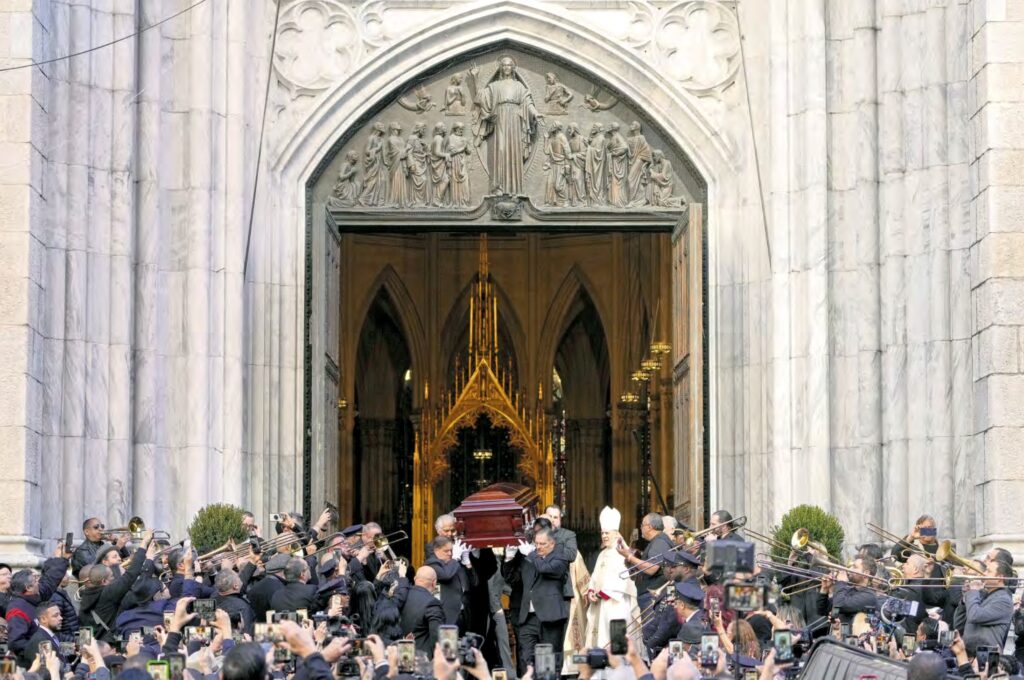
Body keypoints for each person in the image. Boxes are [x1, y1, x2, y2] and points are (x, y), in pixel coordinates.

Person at [470, 56, 544, 195]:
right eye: (504, 65)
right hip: (500, 117)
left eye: (509, 65)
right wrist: (475, 79)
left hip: (515, 119)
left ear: (513, 68)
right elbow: (481, 97)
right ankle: (498, 187)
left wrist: (535, 113)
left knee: (514, 151)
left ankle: (515, 188)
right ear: (500, 68)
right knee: (501, 150)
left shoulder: (519, 86)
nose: (506, 67)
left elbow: (527, 103)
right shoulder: (494, 86)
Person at [507, 528, 569, 673]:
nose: (538, 547)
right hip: (528, 618)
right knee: (526, 658)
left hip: (549, 618)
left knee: (549, 662)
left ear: (552, 544)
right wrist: (509, 559)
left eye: (542, 544)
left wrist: (531, 553)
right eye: (536, 544)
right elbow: (512, 579)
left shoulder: (560, 558)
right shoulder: (531, 557)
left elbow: (544, 568)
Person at [584, 507, 638, 649]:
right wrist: (591, 592)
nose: (604, 536)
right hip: (601, 605)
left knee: (615, 643)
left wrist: (602, 593)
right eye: (602, 533)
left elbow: (623, 580)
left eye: (607, 533)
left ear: (616, 534)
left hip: (617, 605)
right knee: (601, 641)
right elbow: (594, 578)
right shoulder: (602, 554)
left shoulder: (622, 552)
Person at [5, 550, 70, 661]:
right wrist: (43, 653)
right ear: (28, 588)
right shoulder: (16, 610)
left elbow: (50, 580)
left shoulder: (35, 597)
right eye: (35, 581)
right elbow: (16, 643)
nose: (39, 583)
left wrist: (63, 559)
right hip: (36, 665)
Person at [617, 512, 673, 614]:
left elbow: (651, 568)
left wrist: (629, 557)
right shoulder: (657, 541)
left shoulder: (659, 542)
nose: (641, 528)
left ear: (649, 527)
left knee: (651, 629)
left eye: (642, 525)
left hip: (653, 599)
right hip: (650, 597)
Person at [960, 559, 1014, 649]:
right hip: (969, 652)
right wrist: (965, 599)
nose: (984, 573)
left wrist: (973, 592)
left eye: (988, 571)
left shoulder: (1004, 601)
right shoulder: (982, 595)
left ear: (999, 577)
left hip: (985, 656)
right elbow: (958, 624)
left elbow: (974, 616)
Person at [424, 536, 472, 629]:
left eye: (451, 550)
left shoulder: (454, 563)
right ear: (436, 550)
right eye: (446, 551)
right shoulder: (432, 563)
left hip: (463, 615)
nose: (450, 553)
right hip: (446, 617)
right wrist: (455, 558)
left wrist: (467, 562)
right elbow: (445, 575)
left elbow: (474, 582)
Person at [397, 566, 445, 654]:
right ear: (434, 583)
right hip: (421, 658)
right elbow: (437, 637)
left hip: (398, 653)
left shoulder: (401, 596)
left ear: (415, 579)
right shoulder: (432, 603)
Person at [20, 600, 63, 668]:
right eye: (56, 615)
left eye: (60, 615)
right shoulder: (40, 641)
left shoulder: (53, 635)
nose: (61, 618)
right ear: (43, 619)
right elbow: (45, 670)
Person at [214, 569, 255, 637]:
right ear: (235, 586)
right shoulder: (243, 607)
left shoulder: (212, 598)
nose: (240, 577)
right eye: (238, 576)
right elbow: (247, 635)